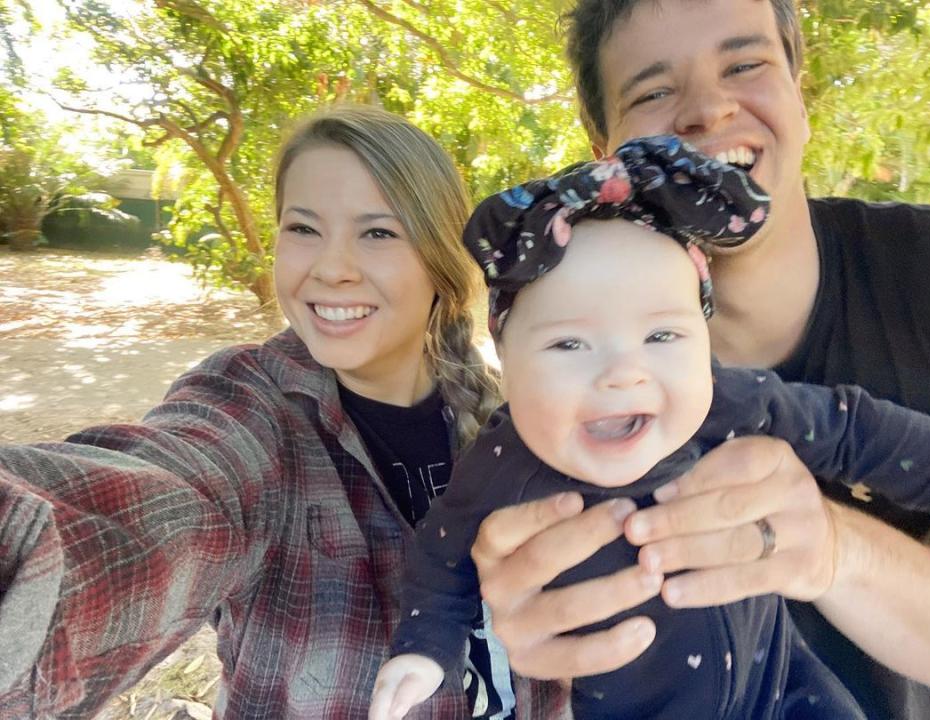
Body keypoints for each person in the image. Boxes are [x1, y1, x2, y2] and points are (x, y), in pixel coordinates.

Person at [469, 1, 930, 718]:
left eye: (745, 64)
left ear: (800, 90)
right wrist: (529, 630)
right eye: (652, 90)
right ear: (602, 147)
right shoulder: (567, 372)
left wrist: (831, 549)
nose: (705, 109)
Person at [0, 105, 567, 719]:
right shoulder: (250, 409)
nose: (330, 269)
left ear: (438, 258)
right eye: (302, 229)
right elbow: (153, 503)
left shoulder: (509, 421)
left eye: (378, 232)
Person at [368, 137, 930, 720]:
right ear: (508, 362)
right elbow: (442, 555)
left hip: (785, 686)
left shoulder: (728, 402)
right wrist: (424, 649)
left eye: (661, 337)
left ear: (704, 344)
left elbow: (855, 431)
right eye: (569, 343)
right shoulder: (503, 460)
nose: (624, 374)